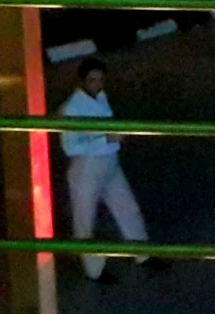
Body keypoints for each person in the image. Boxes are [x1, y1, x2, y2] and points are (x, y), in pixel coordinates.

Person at [59, 56, 151, 282]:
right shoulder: (71, 109)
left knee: (128, 208)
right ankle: (94, 270)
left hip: (109, 162)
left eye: (100, 79)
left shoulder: (100, 97)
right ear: (82, 81)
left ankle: (143, 253)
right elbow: (70, 147)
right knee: (84, 221)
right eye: (92, 80)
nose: (97, 84)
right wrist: (107, 139)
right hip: (87, 169)